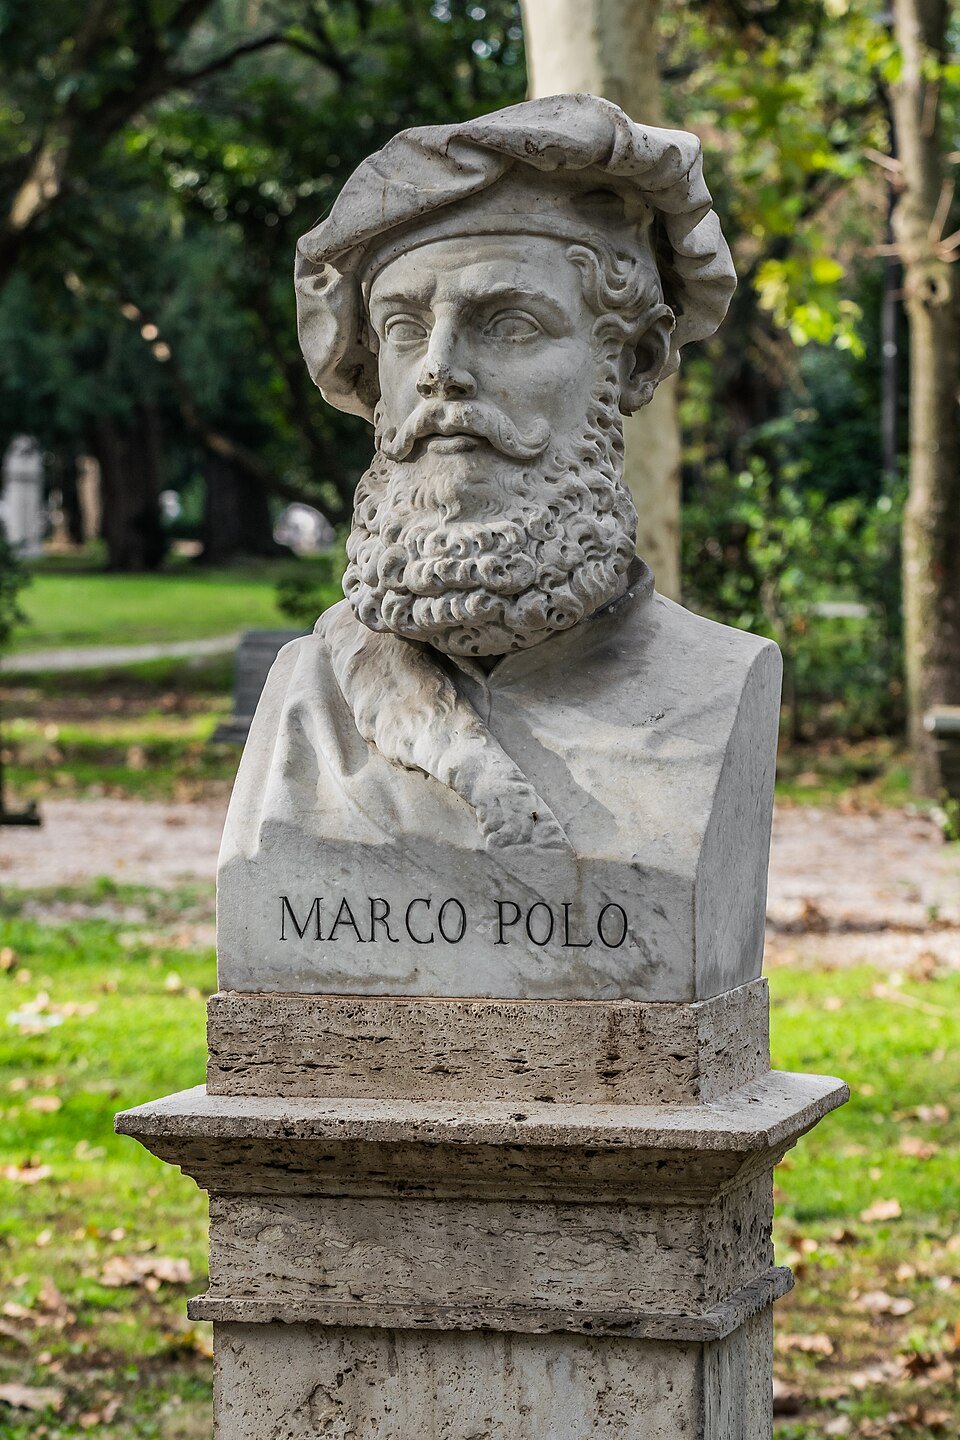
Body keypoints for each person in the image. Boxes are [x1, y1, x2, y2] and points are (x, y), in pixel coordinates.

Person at [218, 95, 780, 998]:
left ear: (631, 364)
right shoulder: (307, 699)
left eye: (508, 325)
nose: (440, 367)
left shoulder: (719, 688)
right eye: (403, 328)